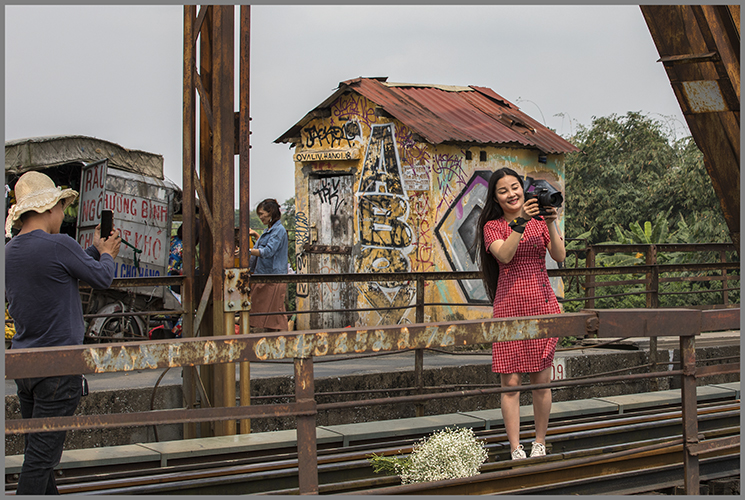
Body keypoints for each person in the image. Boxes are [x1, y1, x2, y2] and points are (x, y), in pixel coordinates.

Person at [4, 171, 121, 495]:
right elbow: (102, 278)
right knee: (40, 460)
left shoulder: (9, 251)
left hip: (24, 366)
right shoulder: (59, 245)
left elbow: (63, 266)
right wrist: (108, 253)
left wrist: (94, 250)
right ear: (48, 208)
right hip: (58, 367)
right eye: (60, 207)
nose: (62, 213)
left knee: (38, 452)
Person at [475, 167, 566, 460]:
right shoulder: (492, 227)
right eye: (503, 191)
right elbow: (504, 255)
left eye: (515, 187)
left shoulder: (540, 222)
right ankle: (516, 448)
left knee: (541, 380)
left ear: (522, 189)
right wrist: (520, 222)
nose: (511, 194)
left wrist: (551, 222)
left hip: (542, 305)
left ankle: (539, 442)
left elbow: (559, 255)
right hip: (508, 308)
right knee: (511, 383)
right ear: (496, 198)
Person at [248, 198, 289, 332]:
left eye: (262, 214)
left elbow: (268, 251)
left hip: (273, 276)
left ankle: (281, 337)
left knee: (274, 312)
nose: (260, 217)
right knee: (261, 311)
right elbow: (258, 248)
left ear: (270, 213)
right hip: (263, 274)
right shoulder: (268, 230)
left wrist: (247, 251)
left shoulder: (279, 230)